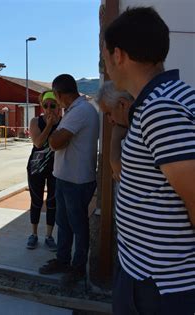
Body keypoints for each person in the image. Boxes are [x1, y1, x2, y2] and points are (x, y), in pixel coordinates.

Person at [103, 7, 195, 314]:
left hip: (161, 287)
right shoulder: (167, 99)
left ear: (118, 55)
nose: (105, 67)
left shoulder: (160, 109)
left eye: (105, 57)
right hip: (148, 275)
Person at [38, 74, 99, 285]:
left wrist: (54, 129)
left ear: (59, 94)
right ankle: (63, 260)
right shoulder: (77, 110)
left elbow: (55, 143)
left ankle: (78, 267)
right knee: (64, 223)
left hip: (76, 179)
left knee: (77, 225)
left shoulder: (80, 111)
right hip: (67, 177)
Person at [26, 91, 60, 251]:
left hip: (56, 167)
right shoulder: (35, 121)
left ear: (58, 106)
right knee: (36, 200)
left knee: (52, 201)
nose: (49, 109)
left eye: (53, 105)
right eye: (45, 105)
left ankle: (49, 235)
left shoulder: (65, 122)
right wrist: (49, 126)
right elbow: (38, 143)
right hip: (36, 166)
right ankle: (33, 234)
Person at [95, 81, 133, 181]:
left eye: (109, 113)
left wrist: (115, 137)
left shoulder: (139, 129)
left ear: (122, 104)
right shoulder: (129, 130)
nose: (110, 120)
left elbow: (120, 173)